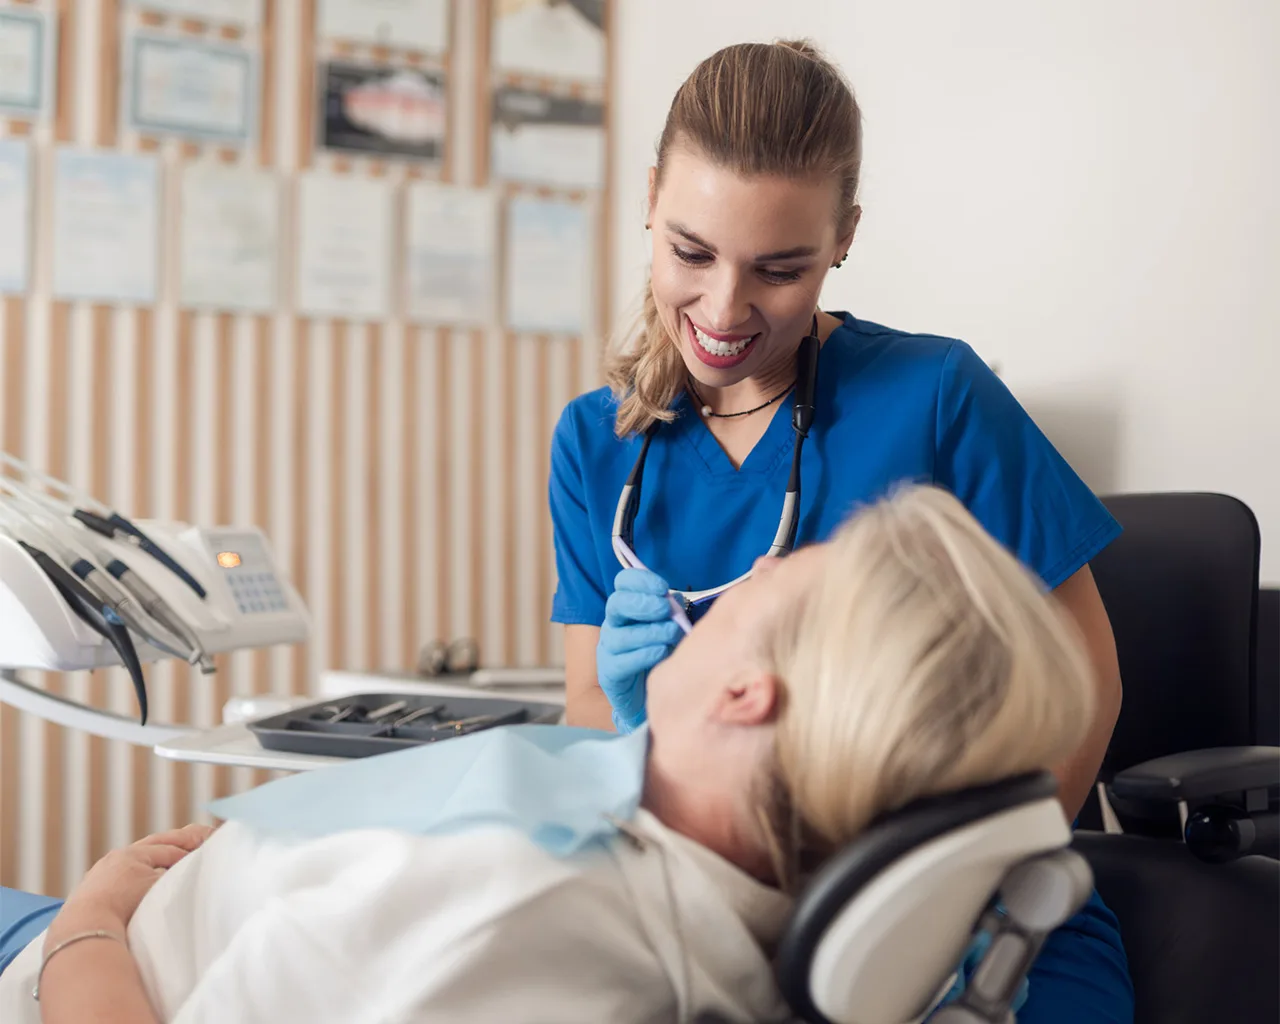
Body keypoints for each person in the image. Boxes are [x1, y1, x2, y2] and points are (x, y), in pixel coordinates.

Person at [0, 486, 1098, 1023]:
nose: (729, 587)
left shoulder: (503, 906)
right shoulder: (753, 892)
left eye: (766, 577)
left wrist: (88, 919)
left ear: (741, 690)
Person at [548, 39, 1132, 1023]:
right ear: (648, 197)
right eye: (690, 252)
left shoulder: (935, 398)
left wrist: (950, 910)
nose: (723, 309)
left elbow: (1088, 684)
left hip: (975, 927)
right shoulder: (596, 444)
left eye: (779, 268)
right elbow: (582, 727)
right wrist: (628, 711)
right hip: (711, 920)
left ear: (843, 236)